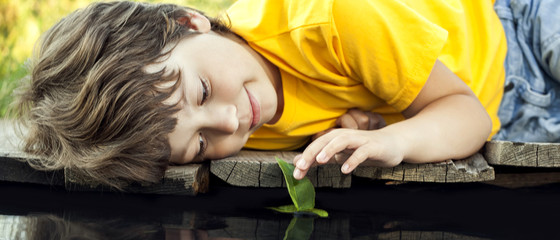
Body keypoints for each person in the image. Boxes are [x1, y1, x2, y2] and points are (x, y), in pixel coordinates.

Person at [14, 0, 558, 188]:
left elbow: (469, 115)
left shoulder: (328, 18)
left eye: (202, 90)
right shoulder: (231, 122)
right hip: (519, 123)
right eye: (201, 145)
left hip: (517, 33)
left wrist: (398, 138)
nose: (228, 121)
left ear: (189, 21)